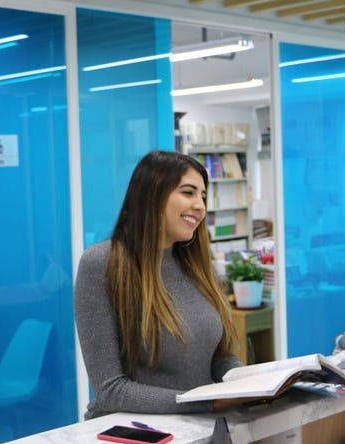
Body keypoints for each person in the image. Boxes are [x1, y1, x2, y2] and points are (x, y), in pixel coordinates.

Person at [74, 150, 243, 419]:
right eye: (188, 193)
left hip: (199, 424)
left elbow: (218, 357)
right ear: (152, 195)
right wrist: (207, 403)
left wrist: (246, 382)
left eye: (202, 196)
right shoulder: (102, 263)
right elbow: (110, 390)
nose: (200, 205)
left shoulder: (195, 264)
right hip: (133, 430)